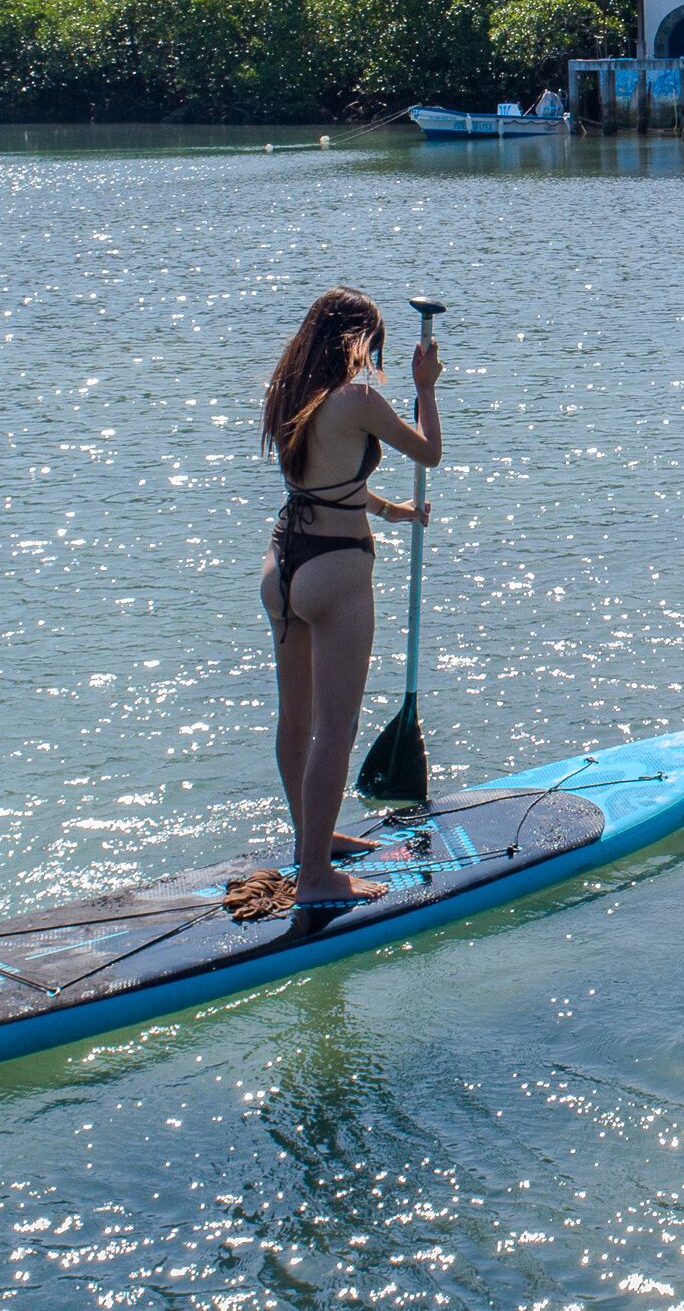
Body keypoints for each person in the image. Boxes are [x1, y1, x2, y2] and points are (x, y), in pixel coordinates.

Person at [257, 287, 440, 910]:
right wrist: (426, 387)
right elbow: (429, 451)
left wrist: (389, 510)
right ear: (356, 341)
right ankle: (315, 875)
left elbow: (327, 480)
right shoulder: (357, 401)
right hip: (335, 571)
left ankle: (312, 839)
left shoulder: (289, 391)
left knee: (296, 720)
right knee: (336, 726)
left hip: (283, 564)